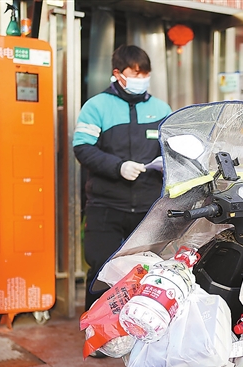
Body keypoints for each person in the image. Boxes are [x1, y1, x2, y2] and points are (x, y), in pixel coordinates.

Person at [73, 45, 172, 315]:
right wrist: (118, 167)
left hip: (147, 209)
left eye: (145, 74)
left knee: (146, 271)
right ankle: (97, 331)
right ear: (118, 74)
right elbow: (82, 148)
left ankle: (138, 327)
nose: (142, 79)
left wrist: (166, 162)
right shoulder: (97, 106)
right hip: (106, 207)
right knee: (102, 270)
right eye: (136, 74)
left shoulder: (161, 109)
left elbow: (171, 148)